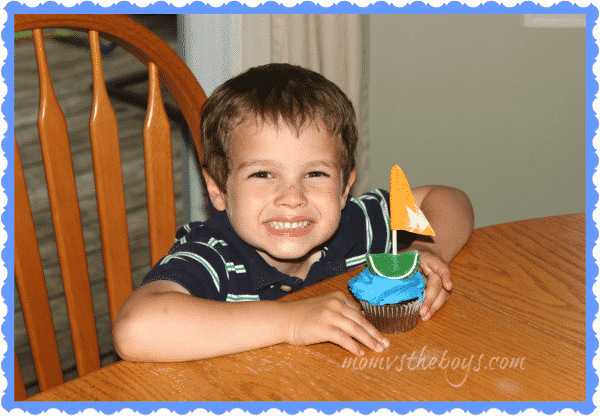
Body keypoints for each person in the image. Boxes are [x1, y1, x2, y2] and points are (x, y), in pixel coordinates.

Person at [113, 63, 474, 362]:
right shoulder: (213, 255)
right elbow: (135, 329)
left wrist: (430, 249)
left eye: (315, 174)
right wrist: (291, 321)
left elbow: (447, 199)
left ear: (345, 187)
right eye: (263, 174)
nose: (292, 198)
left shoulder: (357, 226)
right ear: (218, 190)